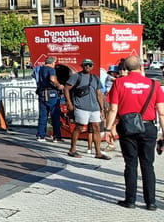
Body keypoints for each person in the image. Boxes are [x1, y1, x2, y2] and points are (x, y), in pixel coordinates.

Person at [104, 55, 164, 210]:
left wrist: (108, 129)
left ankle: (130, 200)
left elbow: (113, 109)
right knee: (148, 165)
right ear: (142, 67)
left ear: (125, 68)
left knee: (130, 164)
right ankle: (150, 202)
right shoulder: (153, 84)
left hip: (127, 127)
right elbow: (162, 112)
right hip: (148, 128)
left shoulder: (118, 83)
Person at [63, 59, 110, 160]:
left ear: (92, 66)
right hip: (81, 107)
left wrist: (102, 109)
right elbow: (66, 88)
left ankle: (98, 152)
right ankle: (72, 149)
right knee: (79, 127)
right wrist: (69, 102)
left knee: (96, 128)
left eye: (89, 65)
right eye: (85, 65)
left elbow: (99, 94)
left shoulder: (95, 78)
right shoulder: (76, 76)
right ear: (82, 66)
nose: (87, 67)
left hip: (95, 108)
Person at [36, 57, 65, 142]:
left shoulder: (40, 69)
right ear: (52, 63)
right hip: (51, 93)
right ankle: (57, 136)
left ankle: (40, 136)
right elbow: (52, 79)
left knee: (43, 115)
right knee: (55, 115)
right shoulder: (51, 69)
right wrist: (59, 85)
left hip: (42, 93)